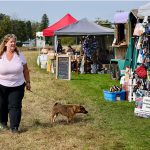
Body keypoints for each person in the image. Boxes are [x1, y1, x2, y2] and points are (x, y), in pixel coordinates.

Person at [0, 34, 31, 133]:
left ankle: (14, 127)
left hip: (17, 86)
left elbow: (26, 70)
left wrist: (28, 82)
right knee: (2, 105)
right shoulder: (0, 54)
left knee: (15, 106)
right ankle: (2, 123)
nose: (13, 44)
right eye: (11, 42)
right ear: (5, 43)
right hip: (1, 85)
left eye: (14, 42)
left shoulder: (20, 55)